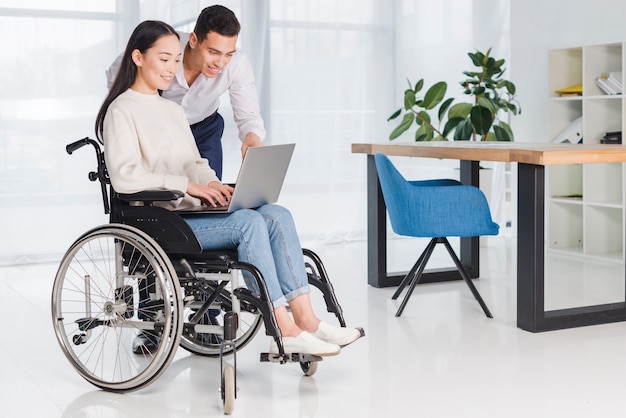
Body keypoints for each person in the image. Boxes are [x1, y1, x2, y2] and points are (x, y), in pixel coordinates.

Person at [95, 20, 362, 356]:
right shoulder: (121, 110)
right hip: (158, 222)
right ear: (137, 57)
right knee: (249, 223)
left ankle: (307, 319)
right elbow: (124, 177)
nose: (172, 68)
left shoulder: (172, 110)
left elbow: (194, 162)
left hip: (187, 213)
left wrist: (212, 184)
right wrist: (186, 185)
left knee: (276, 213)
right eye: (164, 59)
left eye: (176, 60)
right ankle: (282, 326)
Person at [106, 5, 264, 180]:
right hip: (159, 125)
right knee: (161, 185)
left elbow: (249, 116)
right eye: (213, 52)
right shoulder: (166, 47)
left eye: (228, 54)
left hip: (205, 126)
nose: (220, 63)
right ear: (194, 40)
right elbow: (118, 76)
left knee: (210, 194)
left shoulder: (237, 64)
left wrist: (252, 137)